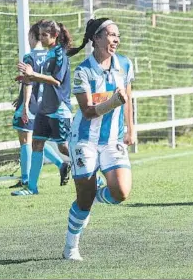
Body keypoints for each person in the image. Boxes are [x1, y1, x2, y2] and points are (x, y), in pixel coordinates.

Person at [62, 18, 135, 261]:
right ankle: (71, 247)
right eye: (111, 35)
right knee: (84, 200)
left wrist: (131, 129)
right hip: (85, 140)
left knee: (121, 192)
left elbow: (128, 98)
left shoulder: (124, 64)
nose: (116, 40)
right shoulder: (83, 71)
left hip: (112, 138)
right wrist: (113, 101)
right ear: (96, 38)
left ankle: (94, 194)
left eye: (118, 36)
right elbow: (88, 111)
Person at [11, 21, 70, 195]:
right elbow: (41, 79)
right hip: (44, 108)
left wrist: (33, 75)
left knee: (64, 147)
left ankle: (92, 177)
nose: (41, 37)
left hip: (59, 108)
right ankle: (31, 188)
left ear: (55, 36)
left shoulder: (60, 54)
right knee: (37, 143)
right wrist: (27, 79)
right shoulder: (48, 53)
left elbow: (56, 80)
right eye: (41, 34)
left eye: (45, 34)